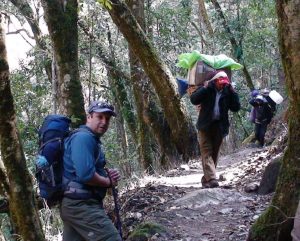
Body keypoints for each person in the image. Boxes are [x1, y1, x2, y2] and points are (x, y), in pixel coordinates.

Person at [60, 100, 122, 241]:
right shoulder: (84, 137)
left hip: (73, 204)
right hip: (81, 205)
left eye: (107, 118)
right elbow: (85, 175)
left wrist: (105, 174)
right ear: (89, 117)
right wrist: (107, 182)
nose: (104, 122)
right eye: (100, 117)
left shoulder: (88, 138)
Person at [187, 71, 240, 188]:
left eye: (224, 83)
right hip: (205, 125)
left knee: (215, 153)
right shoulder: (207, 88)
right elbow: (194, 100)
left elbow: (236, 108)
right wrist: (204, 88)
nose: (222, 85)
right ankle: (212, 178)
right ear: (215, 81)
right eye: (220, 83)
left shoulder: (228, 91)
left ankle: (207, 179)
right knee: (206, 151)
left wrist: (234, 93)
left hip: (220, 126)